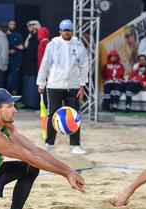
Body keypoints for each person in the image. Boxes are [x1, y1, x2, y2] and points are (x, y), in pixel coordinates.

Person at [37, 19, 89, 155]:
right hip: (55, 85)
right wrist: (41, 83)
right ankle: (49, 143)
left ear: (72, 31)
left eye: (69, 30)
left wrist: (82, 85)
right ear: (60, 31)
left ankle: (75, 145)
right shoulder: (53, 44)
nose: (67, 32)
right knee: (53, 114)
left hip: (73, 86)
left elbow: (84, 65)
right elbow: (45, 64)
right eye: (65, 30)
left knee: (74, 116)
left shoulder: (78, 45)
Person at [22, 20, 40, 109]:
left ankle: (33, 104)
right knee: (28, 85)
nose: (28, 28)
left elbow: (35, 52)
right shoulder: (30, 37)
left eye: (29, 26)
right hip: (28, 65)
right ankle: (28, 103)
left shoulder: (37, 38)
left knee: (32, 85)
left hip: (34, 66)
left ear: (34, 27)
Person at [6, 19, 24, 96]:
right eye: (11, 24)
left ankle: (14, 100)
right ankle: (6, 100)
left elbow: (21, 47)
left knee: (14, 80)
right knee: (6, 80)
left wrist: (15, 47)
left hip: (15, 61)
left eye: (13, 24)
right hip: (6, 61)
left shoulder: (17, 35)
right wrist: (8, 51)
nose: (12, 26)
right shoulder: (5, 35)